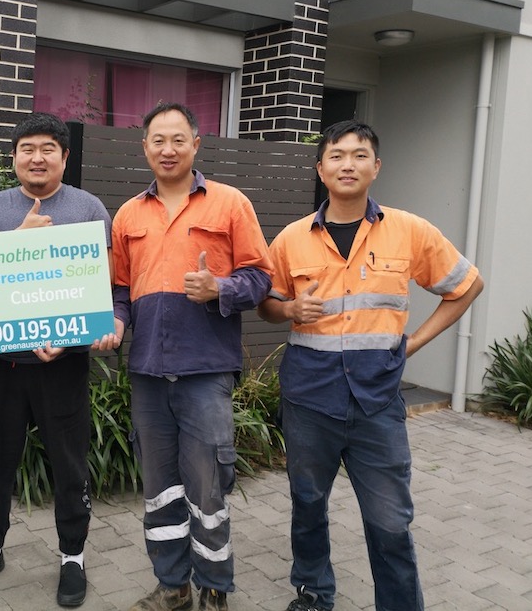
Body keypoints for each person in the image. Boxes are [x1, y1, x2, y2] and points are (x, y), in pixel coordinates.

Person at [257, 120, 483, 611]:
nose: (348, 165)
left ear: (376, 167)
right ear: (320, 169)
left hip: (376, 403)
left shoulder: (409, 230)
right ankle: (314, 593)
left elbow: (466, 285)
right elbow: (267, 305)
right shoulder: (292, 238)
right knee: (308, 505)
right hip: (309, 400)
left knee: (390, 521)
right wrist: (289, 308)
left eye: (359, 155)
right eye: (336, 156)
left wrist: (412, 344)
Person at [0, 112, 115, 608]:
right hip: (3, 364)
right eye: (27, 149)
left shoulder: (87, 207)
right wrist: (19, 237)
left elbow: (100, 281)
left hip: (63, 364)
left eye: (47, 149)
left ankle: (72, 556)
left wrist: (69, 337)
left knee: (69, 463)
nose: (37, 158)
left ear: (64, 156)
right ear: (15, 156)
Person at [112, 102, 274, 611]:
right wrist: (116, 319)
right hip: (148, 371)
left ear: (196, 145)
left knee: (207, 488)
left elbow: (260, 277)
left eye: (178, 139)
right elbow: (120, 287)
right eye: (158, 140)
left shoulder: (229, 203)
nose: (168, 149)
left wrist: (219, 287)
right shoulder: (128, 214)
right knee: (159, 487)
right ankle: (173, 585)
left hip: (205, 371)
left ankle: (214, 588)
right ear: (145, 147)